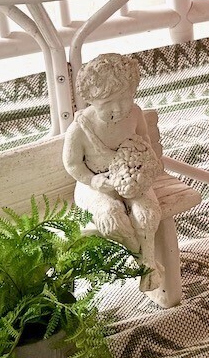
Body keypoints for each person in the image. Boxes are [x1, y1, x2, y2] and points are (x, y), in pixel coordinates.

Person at [62, 53, 164, 290]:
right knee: (112, 217)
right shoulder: (80, 129)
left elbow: (144, 139)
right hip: (97, 185)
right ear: (91, 100)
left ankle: (147, 263)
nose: (117, 109)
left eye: (124, 99)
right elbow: (73, 164)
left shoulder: (134, 114)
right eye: (107, 103)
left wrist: (141, 160)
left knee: (147, 214)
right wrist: (93, 181)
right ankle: (144, 261)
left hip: (130, 178)